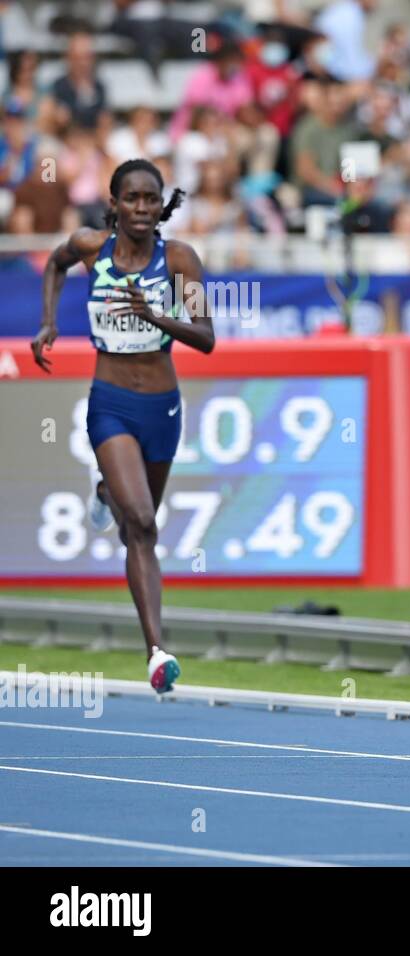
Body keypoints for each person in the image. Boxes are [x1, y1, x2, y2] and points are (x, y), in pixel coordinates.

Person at [29, 159, 215, 693]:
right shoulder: (91, 248)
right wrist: (49, 321)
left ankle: (106, 491)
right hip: (110, 403)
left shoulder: (178, 259)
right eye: (131, 198)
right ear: (113, 204)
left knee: (140, 516)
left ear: (161, 206)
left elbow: (206, 337)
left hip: (163, 408)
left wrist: (156, 317)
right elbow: (53, 265)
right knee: (142, 525)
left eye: (150, 200)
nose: (141, 208)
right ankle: (157, 651)